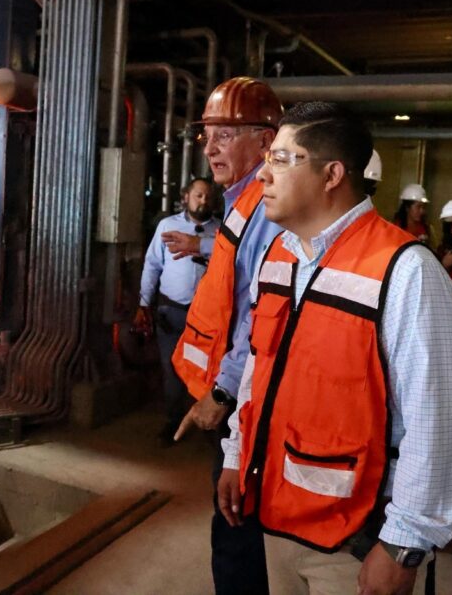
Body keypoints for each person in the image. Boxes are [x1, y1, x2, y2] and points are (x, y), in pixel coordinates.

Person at [218, 101, 452, 595]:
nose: (263, 174)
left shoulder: (407, 272)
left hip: (357, 539)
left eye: (282, 159)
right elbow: (259, 368)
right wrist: (235, 452)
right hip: (277, 514)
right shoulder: (278, 257)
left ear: (332, 174)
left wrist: (403, 545)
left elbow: (434, 422)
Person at [170, 76, 284, 594]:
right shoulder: (243, 202)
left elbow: (260, 316)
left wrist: (222, 392)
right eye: (207, 135)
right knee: (233, 525)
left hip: (242, 400)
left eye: (225, 135)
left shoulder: (266, 208)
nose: (210, 148)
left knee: (236, 530)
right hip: (232, 394)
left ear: (265, 141)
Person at [133, 177, 220, 445]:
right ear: (186, 197)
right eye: (198, 195)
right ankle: (173, 421)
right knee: (172, 370)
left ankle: (204, 423)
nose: (203, 201)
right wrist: (144, 303)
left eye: (207, 196)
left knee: (204, 372)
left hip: (206, 318)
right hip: (172, 311)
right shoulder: (168, 226)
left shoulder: (221, 231)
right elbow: (152, 265)